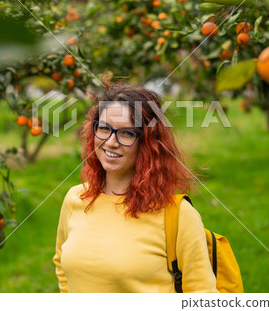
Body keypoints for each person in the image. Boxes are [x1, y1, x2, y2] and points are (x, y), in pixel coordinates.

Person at [52, 76, 219, 293]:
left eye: (127, 133)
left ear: (148, 143)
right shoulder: (75, 198)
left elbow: (202, 293)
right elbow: (61, 265)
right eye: (104, 128)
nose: (111, 142)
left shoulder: (178, 215)